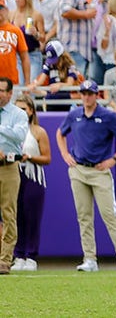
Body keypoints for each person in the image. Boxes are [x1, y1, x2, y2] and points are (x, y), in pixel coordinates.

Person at [55, 79, 116, 273]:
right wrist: (65, 154)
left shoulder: (107, 116)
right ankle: (89, 258)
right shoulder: (74, 114)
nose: (86, 97)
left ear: (96, 95)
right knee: (84, 216)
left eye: (90, 93)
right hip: (78, 169)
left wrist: (114, 159)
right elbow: (60, 133)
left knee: (110, 215)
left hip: (99, 171)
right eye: (83, 93)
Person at [12, 92, 48, 272]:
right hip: (14, 175)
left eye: (23, 109)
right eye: (17, 109)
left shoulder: (38, 132)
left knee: (32, 217)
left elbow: (47, 158)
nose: (20, 112)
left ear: (31, 111)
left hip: (33, 177)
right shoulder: (9, 129)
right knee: (16, 216)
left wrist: (30, 157)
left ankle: (31, 256)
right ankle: (18, 255)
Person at [0, 77, 28, 274]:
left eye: (2, 90)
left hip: (8, 166)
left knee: (8, 213)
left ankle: (5, 259)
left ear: (10, 93)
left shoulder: (18, 114)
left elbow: (19, 135)